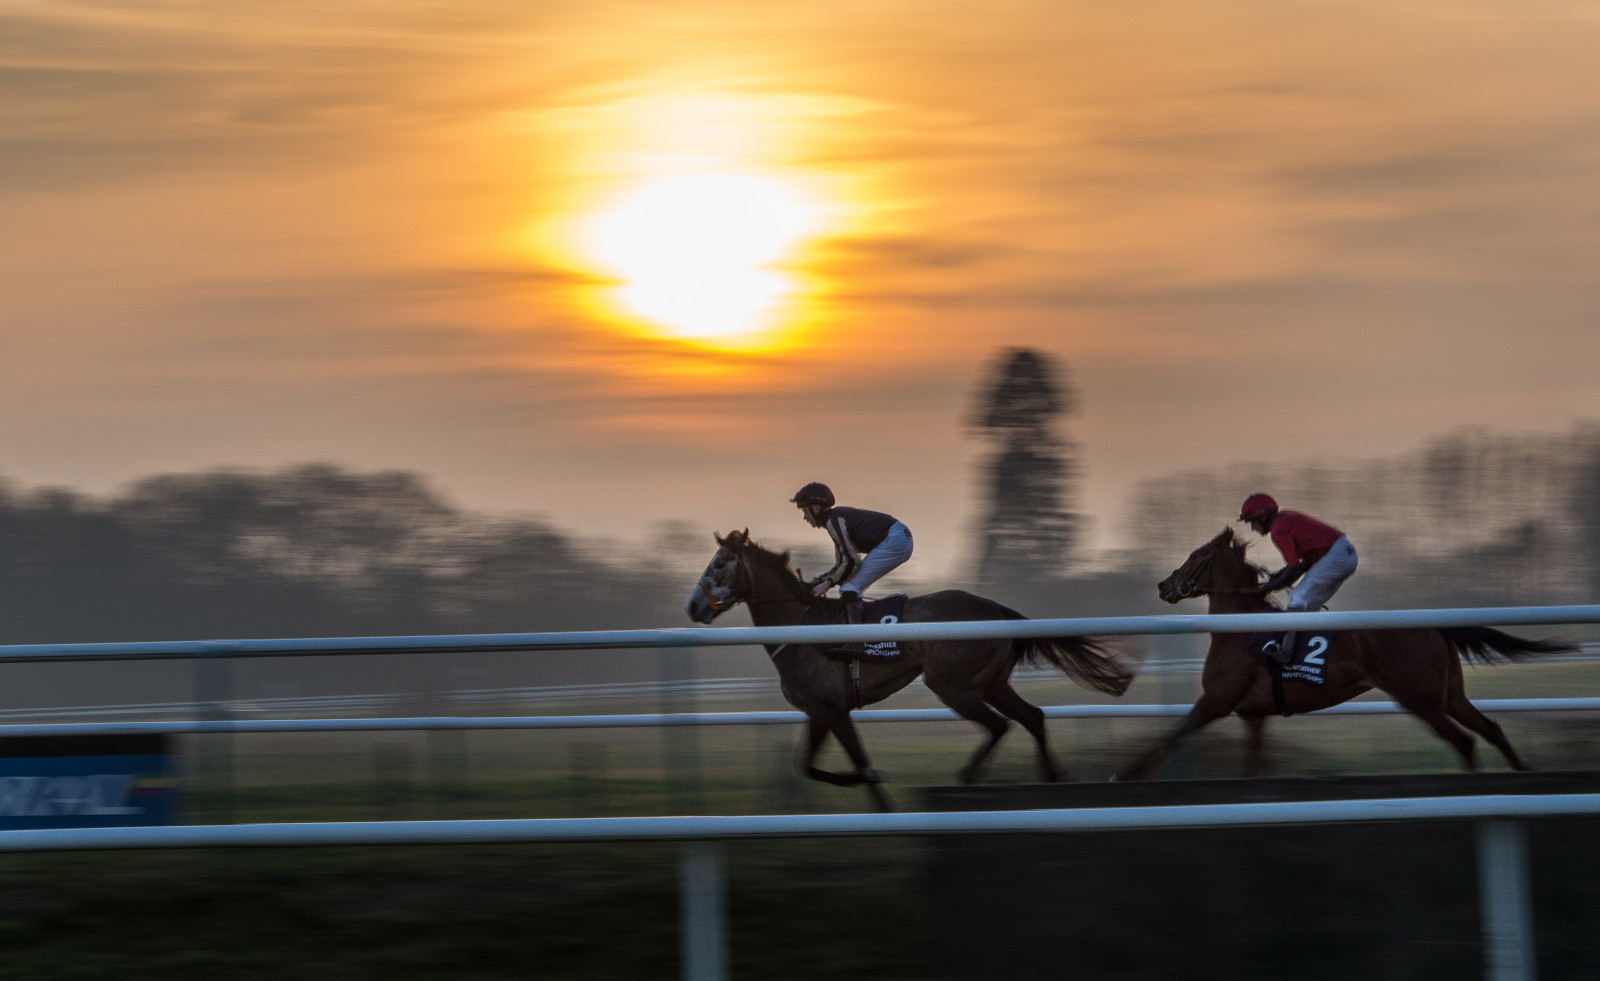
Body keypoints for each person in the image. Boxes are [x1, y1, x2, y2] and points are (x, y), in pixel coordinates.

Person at [790, 482, 914, 658]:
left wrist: (827, 585)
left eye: (805, 511)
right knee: (850, 585)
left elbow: (852, 561)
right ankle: (859, 633)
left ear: (816, 508)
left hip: (897, 539)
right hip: (899, 536)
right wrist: (817, 582)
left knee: (849, 587)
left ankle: (857, 640)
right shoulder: (834, 520)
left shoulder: (833, 521)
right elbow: (841, 564)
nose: (804, 517)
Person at [1238, 493, 1358, 664]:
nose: (1252, 528)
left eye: (1252, 522)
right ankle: (1306, 650)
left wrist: (1269, 587)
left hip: (1336, 556)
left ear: (1263, 517)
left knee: (1298, 599)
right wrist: (1277, 578)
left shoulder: (1278, 529)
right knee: (1309, 606)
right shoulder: (1285, 518)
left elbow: (1294, 568)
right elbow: (1302, 564)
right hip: (1346, 553)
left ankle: (1285, 653)